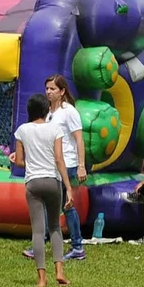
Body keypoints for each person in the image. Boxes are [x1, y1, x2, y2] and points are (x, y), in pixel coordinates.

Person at [13, 94, 73, 287]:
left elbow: (21, 162)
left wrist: (16, 159)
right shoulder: (55, 129)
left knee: (38, 231)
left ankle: (41, 278)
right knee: (55, 227)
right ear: (47, 110)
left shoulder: (22, 130)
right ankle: (60, 270)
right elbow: (59, 159)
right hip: (52, 181)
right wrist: (68, 188)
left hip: (33, 182)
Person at [24, 75, 87, 262]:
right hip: (51, 163)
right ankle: (45, 243)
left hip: (66, 162)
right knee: (51, 203)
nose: (48, 92)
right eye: (47, 88)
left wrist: (81, 165)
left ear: (62, 91)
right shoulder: (47, 112)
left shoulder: (69, 112)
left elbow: (79, 139)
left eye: (52, 89)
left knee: (64, 205)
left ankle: (77, 246)